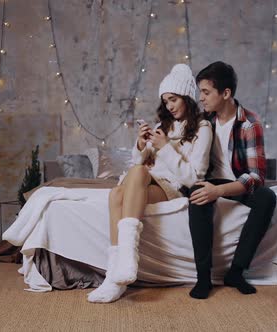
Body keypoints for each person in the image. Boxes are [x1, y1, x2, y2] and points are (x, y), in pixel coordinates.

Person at [87, 64, 213, 303]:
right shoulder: (161, 127)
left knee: (135, 177)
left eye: (173, 100)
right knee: (116, 194)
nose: (169, 106)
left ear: (187, 97)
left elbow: (195, 177)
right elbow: (138, 162)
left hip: (173, 188)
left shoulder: (203, 128)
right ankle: (115, 277)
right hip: (147, 180)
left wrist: (165, 147)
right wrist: (141, 144)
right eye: (165, 101)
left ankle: (124, 263)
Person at [187, 61, 277, 299]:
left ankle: (236, 271)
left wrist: (219, 192)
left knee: (267, 197)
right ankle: (203, 278)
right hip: (210, 179)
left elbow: (256, 176)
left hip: (237, 181)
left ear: (226, 93)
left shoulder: (249, 123)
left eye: (206, 92)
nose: (201, 98)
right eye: (200, 93)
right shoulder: (202, 120)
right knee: (198, 194)